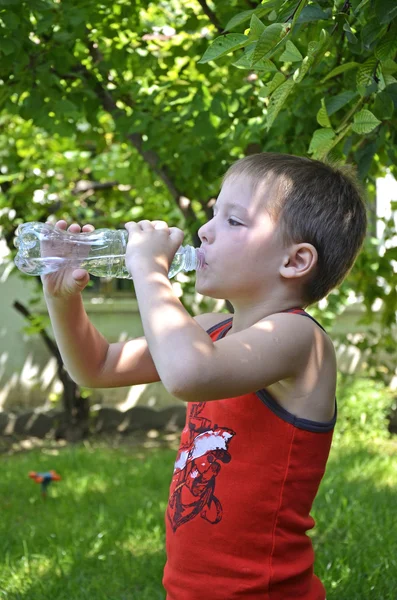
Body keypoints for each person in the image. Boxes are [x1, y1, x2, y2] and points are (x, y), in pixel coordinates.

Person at [42, 153, 367, 599]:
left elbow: (189, 375)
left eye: (233, 221)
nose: (204, 230)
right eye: (213, 213)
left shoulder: (298, 339)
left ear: (295, 261)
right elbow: (96, 368)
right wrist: (63, 299)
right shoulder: (211, 328)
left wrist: (149, 271)